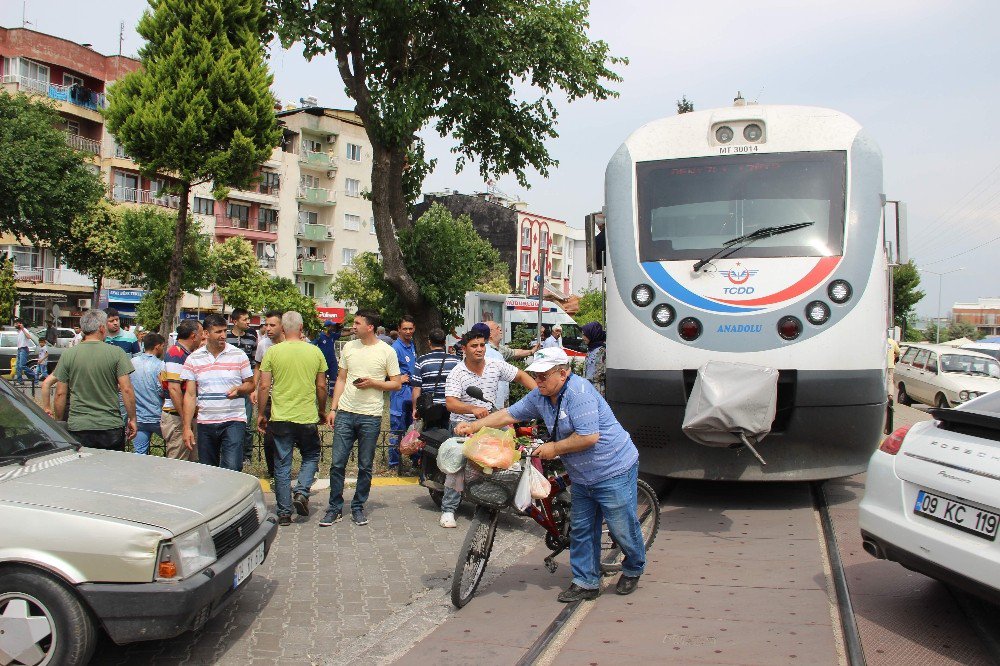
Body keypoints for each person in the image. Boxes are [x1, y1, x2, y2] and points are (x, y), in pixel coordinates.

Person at [455, 347, 645, 601]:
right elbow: (510, 414)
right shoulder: (541, 395)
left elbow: (589, 437)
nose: (539, 380)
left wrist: (554, 448)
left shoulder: (580, 393)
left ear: (563, 373)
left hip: (612, 468)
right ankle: (586, 582)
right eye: (536, 375)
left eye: (544, 375)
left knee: (621, 527)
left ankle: (633, 567)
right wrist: (475, 425)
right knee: (581, 528)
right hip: (580, 474)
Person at [442, 329, 536, 528]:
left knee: (507, 458)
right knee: (458, 466)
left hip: (490, 422)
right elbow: (450, 402)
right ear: (464, 349)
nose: (479, 349)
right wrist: (472, 408)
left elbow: (520, 376)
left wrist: (540, 395)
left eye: (482, 345)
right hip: (463, 423)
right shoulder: (457, 372)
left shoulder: (495, 366)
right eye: (474, 346)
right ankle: (448, 509)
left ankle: (503, 501)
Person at [321, 309, 402, 528]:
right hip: (346, 412)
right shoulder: (348, 347)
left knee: (365, 466)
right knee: (337, 463)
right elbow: (341, 379)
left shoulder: (387, 351)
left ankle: (358, 507)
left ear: (370, 327)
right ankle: (334, 508)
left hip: (371, 415)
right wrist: (333, 408)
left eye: (357, 323)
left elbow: (396, 383)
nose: (353, 327)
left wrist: (374, 383)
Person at [258, 311, 328, 526]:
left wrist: (261, 413)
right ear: (301, 328)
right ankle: (301, 491)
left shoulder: (273, 352)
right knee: (311, 454)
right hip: (306, 415)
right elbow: (321, 386)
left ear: (283, 328)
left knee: (282, 464)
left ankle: (284, 512)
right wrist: (322, 410)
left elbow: (263, 385)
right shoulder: (315, 352)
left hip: (280, 417)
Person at [54, 309, 137, 450]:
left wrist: (59, 421)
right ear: (101, 328)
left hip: (78, 426)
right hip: (110, 426)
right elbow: (126, 389)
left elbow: (60, 393)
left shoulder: (68, 355)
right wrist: (132, 418)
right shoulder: (117, 353)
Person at [181, 313, 255, 471]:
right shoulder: (194, 359)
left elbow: (250, 384)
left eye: (224, 331)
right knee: (209, 471)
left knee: (233, 467)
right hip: (206, 422)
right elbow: (190, 395)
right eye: (218, 332)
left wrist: (240, 389)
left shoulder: (238, 355)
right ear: (206, 334)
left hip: (233, 420)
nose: (223, 336)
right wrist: (187, 427)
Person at [160, 319, 202, 461]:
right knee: (178, 462)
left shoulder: (185, 354)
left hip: (183, 416)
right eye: (201, 334)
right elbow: (174, 389)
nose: (203, 338)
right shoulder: (176, 354)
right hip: (177, 417)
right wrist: (186, 419)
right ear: (193, 336)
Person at [410, 328, 460, 430]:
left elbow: (416, 388)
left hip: (430, 409)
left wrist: (415, 409)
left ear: (429, 342)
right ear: (444, 342)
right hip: (452, 408)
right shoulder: (456, 361)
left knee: (431, 439)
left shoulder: (422, 361)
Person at [255, 311, 285, 478]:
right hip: (269, 398)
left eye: (272, 325)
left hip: (288, 397)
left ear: (282, 326)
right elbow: (258, 368)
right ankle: (272, 472)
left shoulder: (292, 343)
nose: (268, 328)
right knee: (269, 438)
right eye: (266, 325)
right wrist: (255, 388)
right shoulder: (263, 345)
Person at [227, 308, 259, 467]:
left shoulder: (252, 337)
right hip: (228, 385)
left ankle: (247, 455)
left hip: (246, 384)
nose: (248, 322)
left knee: (246, 421)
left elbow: (254, 363)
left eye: (249, 319)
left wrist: (253, 387)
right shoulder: (225, 336)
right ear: (235, 321)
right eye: (245, 319)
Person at [388, 316, 417, 470]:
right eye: (404, 328)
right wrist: (399, 378)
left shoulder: (412, 345)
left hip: (412, 394)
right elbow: (385, 371)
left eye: (410, 328)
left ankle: (414, 461)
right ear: (399, 329)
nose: (407, 331)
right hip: (400, 394)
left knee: (412, 428)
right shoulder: (395, 348)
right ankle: (394, 463)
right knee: (396, 429)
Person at [130, 332, 166, 455]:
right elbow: (162, 390)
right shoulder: (160, 365)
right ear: (157, 346)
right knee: (172, 446)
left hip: (138, 416)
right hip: (157, 416)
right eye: (162, 346)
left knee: (139, 453)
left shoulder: (133, 362)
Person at [312, 319, 342, 397]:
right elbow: (312, 345)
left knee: (333, 377)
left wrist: (341, 329)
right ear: (327, 327)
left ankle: (332, 393)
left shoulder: (332, 335)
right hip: (323, 361)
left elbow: (341, 334)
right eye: (332, 326)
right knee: (322, 378)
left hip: (332, 360)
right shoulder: (320, 336)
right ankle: (322, 393)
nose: (333, 328)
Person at [581, 321, 607, 396]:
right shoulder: (590, 349)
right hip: (588, 388)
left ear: (592, 334)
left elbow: (599, 374)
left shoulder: (601, 351)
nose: (583, 338)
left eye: (584, 335)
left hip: (596, 390)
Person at [13, 319, 36, 384]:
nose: (15, 325)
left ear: (20, 324)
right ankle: (20, 381)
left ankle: (34, 375)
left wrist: (23, 328)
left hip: (24, 349)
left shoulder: (24, 330)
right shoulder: (19, 331)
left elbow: (29, 337)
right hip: (19, 349)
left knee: (22, 365)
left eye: (17, 323)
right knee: (18, 366)